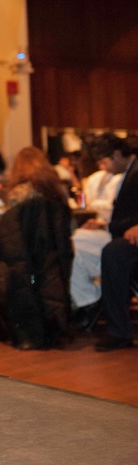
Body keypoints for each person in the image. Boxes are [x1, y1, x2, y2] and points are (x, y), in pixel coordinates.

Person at [0, 148, 73, 349]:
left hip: (20, 257)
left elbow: (6, 227)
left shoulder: (17, 194)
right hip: (50, 256)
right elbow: (68, 226)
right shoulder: (57, 192)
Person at [70, 138, 123, 326]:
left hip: (116, 233)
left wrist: (101, 222)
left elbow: (113, 211)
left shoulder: (123, 177)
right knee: (72, 245)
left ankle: (88, 300)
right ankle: (87, 299)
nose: (102, 165)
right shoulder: (96, 179)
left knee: (74, 246)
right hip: (107, 228)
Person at [94, 139, 138, 351]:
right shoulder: (131, 169)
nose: (104, 167)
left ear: (118, 154)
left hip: (130, 236)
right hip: (125, 233)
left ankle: (119, 330)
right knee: (108, 251)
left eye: (106, 160)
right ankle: (94, 312)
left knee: (113, 254)